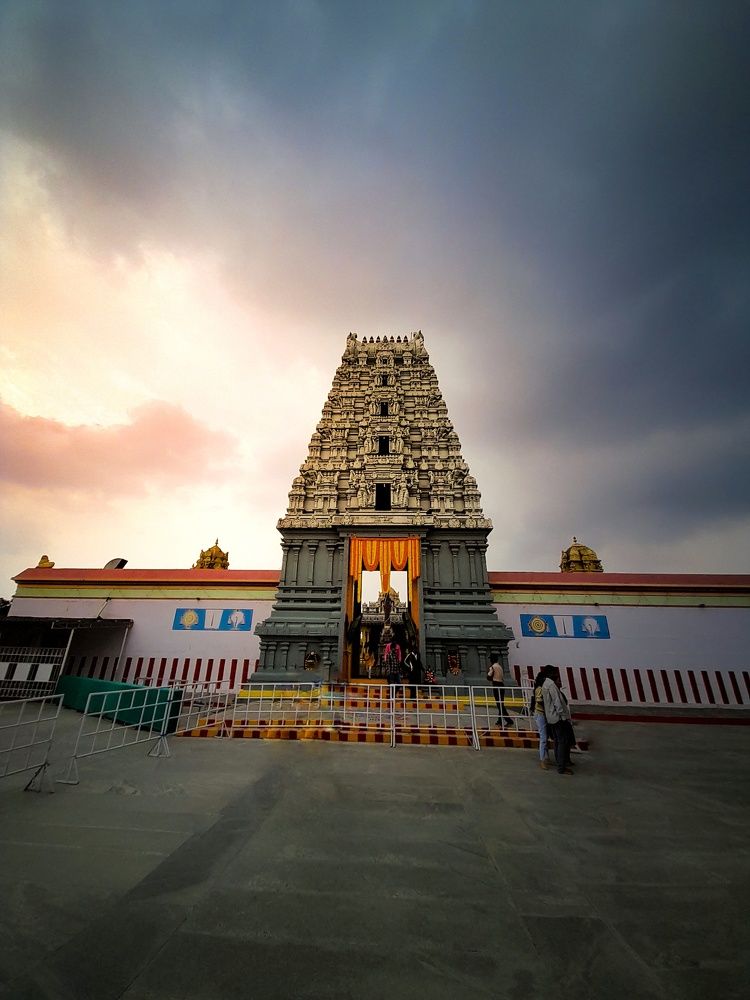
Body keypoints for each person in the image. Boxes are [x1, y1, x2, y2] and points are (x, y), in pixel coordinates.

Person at [541, 664, 573, 775]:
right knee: (562, 741)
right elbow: (557, 702)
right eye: (554, 672)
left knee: (557, 741)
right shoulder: (551, 685)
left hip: (550, 717)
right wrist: (563, 717)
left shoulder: (545, 684)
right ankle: (561, 766)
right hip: (557, 717)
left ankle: (559, 762)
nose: (556, 675)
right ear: (551, 673)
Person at [530, 670, 551, 770]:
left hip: (542, 714)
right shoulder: (540, 689)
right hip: (540, 714)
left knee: (545, 737)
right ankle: (543, 759)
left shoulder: (541, 688)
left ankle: (546, 757)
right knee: (543, 737)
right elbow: (539, 701)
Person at [487, 655, 514, 728]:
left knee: (500, 704)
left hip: (496, 685)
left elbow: (489, 676)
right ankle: (499, 720)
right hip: (501, 685)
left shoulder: (492, 667)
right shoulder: (500, 667)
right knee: (500, 703)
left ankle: (509, 721)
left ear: (492, 660)